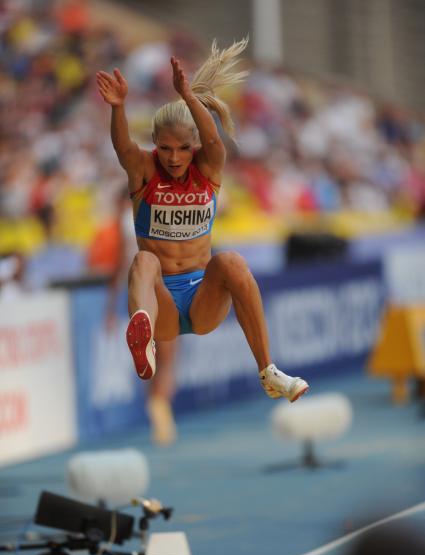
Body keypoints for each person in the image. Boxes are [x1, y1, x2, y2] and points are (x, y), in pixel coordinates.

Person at [96, 38, 309, 402]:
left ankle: (269, 371)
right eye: (165, 148)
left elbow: (214, 141)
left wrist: (188, 97)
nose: (173, 158)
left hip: (201, 301)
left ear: (193, 145)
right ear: (154, 143)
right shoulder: (143, 170)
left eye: (182, 149)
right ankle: (144, 341)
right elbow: (123, 147)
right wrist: (118, 108)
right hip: (161, 301)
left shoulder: (208, 167)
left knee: (231, 261)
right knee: (144, 260)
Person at [105, 186, 178, 446]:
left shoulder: (124, 220)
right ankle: (160, 409)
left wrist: (110, 307)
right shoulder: (158, 213)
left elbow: (119, 265)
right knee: (167, 358)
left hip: (136, 291)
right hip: (163, 287)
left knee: (150, 356)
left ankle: (156, 407)